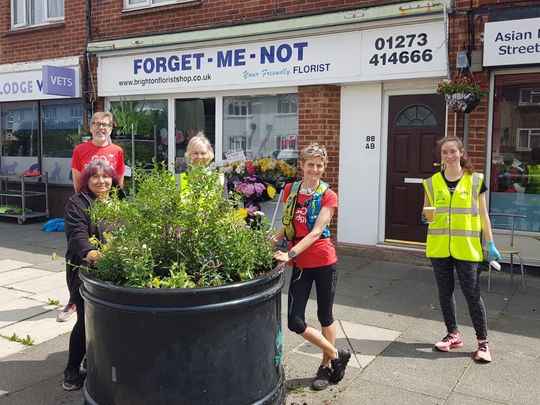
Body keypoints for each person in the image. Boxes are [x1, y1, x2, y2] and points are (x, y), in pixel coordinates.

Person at [273, 143, 350, 391]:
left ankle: (326, 367)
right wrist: (268, 241)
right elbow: (286, 225)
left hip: (324, 262)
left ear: (324, 167)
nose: (314, 169)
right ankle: (337, 354)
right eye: (310, 165)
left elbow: (317, 232)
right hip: (301, 264)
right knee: (295, 321)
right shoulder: (290, 190)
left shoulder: (328, 194)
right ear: (303, 166)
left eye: (319, 165)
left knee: (324, 316)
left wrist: (290, 253)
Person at [422, 136, 501, 363]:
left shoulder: (476, 181)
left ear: (461, 152)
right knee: (445, 294)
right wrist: (426, 216)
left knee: (472, 295)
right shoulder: (431, 182)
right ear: (441, 156)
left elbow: (484, 215)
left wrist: (490, 242)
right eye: (444, 152)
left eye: (453, 151)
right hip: (439, 248)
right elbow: (427, 211)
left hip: (467, 249)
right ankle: (453, 335)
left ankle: (482, 343)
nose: (449, 155)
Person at [58, 112, 125, 322]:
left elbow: (118, 182)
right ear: (91, 127)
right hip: (85, 205)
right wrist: (82, 205)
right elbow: (78, 181)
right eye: (97, 124)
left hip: (108, 203)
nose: (101, 128)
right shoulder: (80, 149)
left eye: (105, 125)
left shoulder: (117, 151)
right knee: (79, 251)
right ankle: (73, 300)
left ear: (111, 129)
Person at [62, 159, 120, 390]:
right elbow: (77, 236)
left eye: (105, 176)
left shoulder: (120, 200)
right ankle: (71, 369)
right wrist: (92, 252)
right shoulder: (78, 202)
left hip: (116, 268)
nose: (101, 181)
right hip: (85, 269)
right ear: (87, 180)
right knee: (86, 320)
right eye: (95, 176)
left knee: (110, 321)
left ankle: (94, 360)